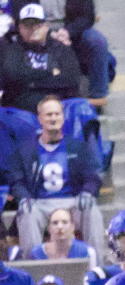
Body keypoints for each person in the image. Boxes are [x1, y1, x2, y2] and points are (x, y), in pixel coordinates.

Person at [11, 0, 110, 103]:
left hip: (70, 32)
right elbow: (21, 16)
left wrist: (68, 32)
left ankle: (97, 96)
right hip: (37, 34)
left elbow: (87, 16)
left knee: (97, 42)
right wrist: (48, 34)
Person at [9, 95, 104, 261]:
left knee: (92, 210)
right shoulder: (25, 150)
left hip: (72, 202)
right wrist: (24, 198)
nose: (53, 118)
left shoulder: (77, 147)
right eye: (48, 114)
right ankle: (34, 270)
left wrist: (88, 192)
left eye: (57, 114)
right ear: (40, 119)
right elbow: (17, 180)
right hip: (40, 204)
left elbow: (93, 175)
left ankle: (96, 266)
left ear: (63, 117)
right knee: (27, 213)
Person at [0, 2, 81, 110]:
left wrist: (32, 82)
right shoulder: (12, 48)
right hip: (24, 106)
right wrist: (51, 72)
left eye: (38, 24)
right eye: (28, 25)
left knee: (82, 107)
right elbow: (12, 74)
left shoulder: (61, 49)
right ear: (20, 28)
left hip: (59, 104)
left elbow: (71, 79)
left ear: (46, 27)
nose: (33, 28)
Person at [29, 205, 96, 269]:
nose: (60, 227)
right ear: (49, 228)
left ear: (72, 227)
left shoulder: (86, 252)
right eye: (55, 223)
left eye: (65, 222)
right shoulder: (36, 253)